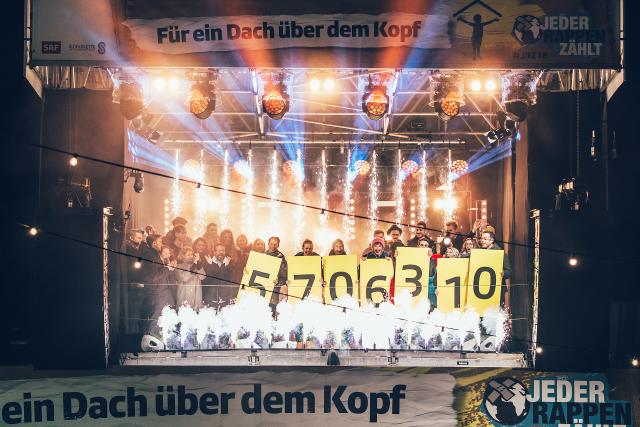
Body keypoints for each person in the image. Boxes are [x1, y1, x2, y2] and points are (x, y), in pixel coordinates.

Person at [139, 234, 176, 342]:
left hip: (161, 291)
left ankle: (156, 339)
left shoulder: (153, 255)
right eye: (160, 242)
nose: (161, 244)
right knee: (155, 316)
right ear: (154, 243)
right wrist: (167, 269)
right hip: (156, 292)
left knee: (159, 316)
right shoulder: (149, 256)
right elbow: (154, 276)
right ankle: (152, 341)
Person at [201, 243, 236, 309]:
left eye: (222, 250)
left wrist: (226, 266)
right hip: (211, 298)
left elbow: (230, 278)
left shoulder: (231, 263)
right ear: (214, 252)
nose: (221, 252)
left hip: (226, 298)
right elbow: (207, 279)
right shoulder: (207, 263)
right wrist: (211, 265)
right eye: (218, 250)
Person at [266, 236, 288, 306]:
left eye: (275, 244)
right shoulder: (263, 255)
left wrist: (278, 281)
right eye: (271, 244)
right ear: (268, 244)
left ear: (278, 245)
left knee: (272, 307)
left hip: (275, 288)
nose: (273, 246)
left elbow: (284, 274)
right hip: (263, 286)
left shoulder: (281, 257)